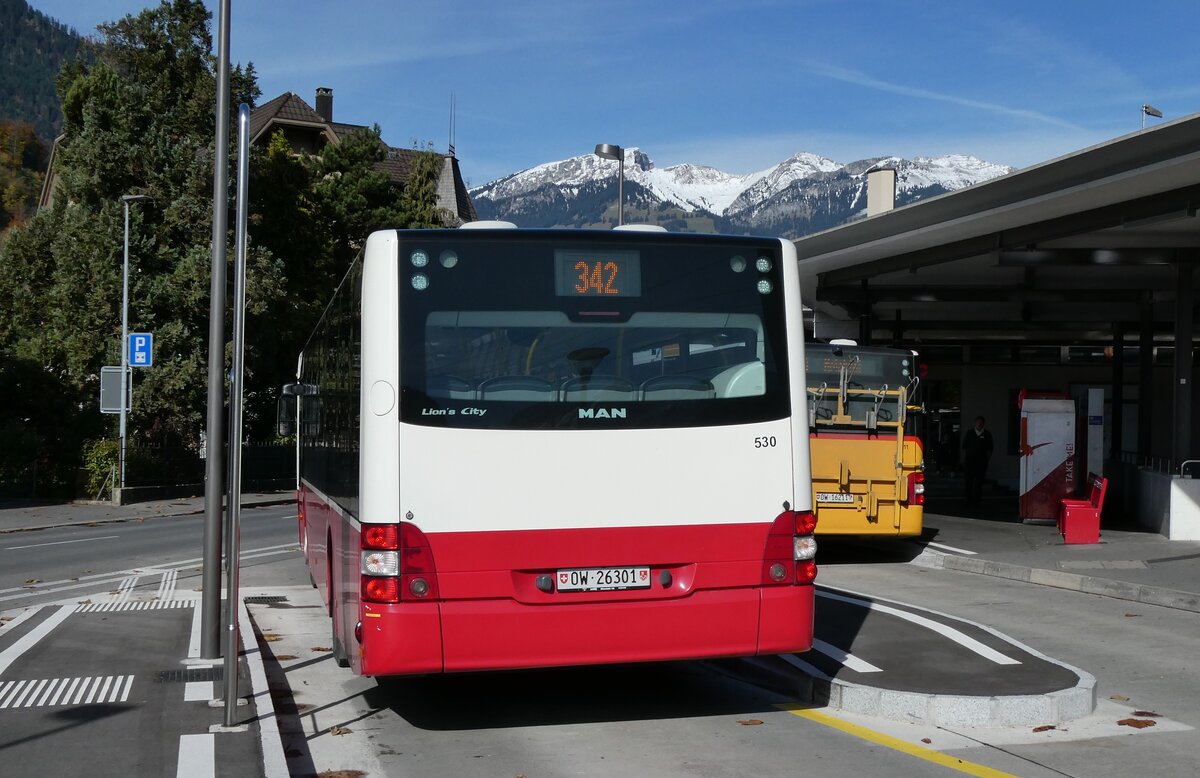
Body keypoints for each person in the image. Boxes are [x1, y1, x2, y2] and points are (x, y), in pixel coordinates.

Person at [962, 415, 993, 506]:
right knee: (968, 481)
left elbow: (990, 449)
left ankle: (977, 500)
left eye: (981, 422)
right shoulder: (969, 433)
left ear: (983, 424)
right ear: (975, 423)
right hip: (969, 462)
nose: (979, 424)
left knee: (979, 482)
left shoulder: (987, 434)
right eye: (978, 422)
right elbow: (964, 447)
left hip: (981, 462)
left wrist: (987, 459)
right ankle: (968, 499)